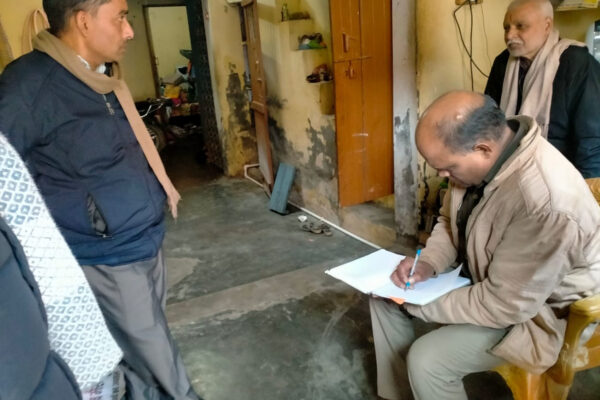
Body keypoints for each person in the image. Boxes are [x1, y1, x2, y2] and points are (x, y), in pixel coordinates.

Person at [0, 0, 200, 399]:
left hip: (145, 238)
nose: (129, 30)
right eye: (120, 17)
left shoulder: (100, 78)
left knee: (140, 353)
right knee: (159, 359)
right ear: (83, 22)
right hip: (107, 255)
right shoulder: (30, 86)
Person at [369, 91, 600, 400]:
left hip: (542, 314)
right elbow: (449, 221)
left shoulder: (545, 203)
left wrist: (413, 301)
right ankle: (401, 394)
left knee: (428, 361)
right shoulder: (480, 155)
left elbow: (504, 305)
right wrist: (428, 263)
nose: (442, 175)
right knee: (383, 297)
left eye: (448, 168)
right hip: (490, 276)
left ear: (483, 149)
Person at [484, 0, 600, 179]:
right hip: (509, 172)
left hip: (562, 177)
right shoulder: (502, 63)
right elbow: (489, 123)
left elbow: (592, 139)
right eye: (506, 28)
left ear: (547, 26)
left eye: (520, 26)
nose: (510, 35)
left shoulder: (577, 63)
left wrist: (588, 187)